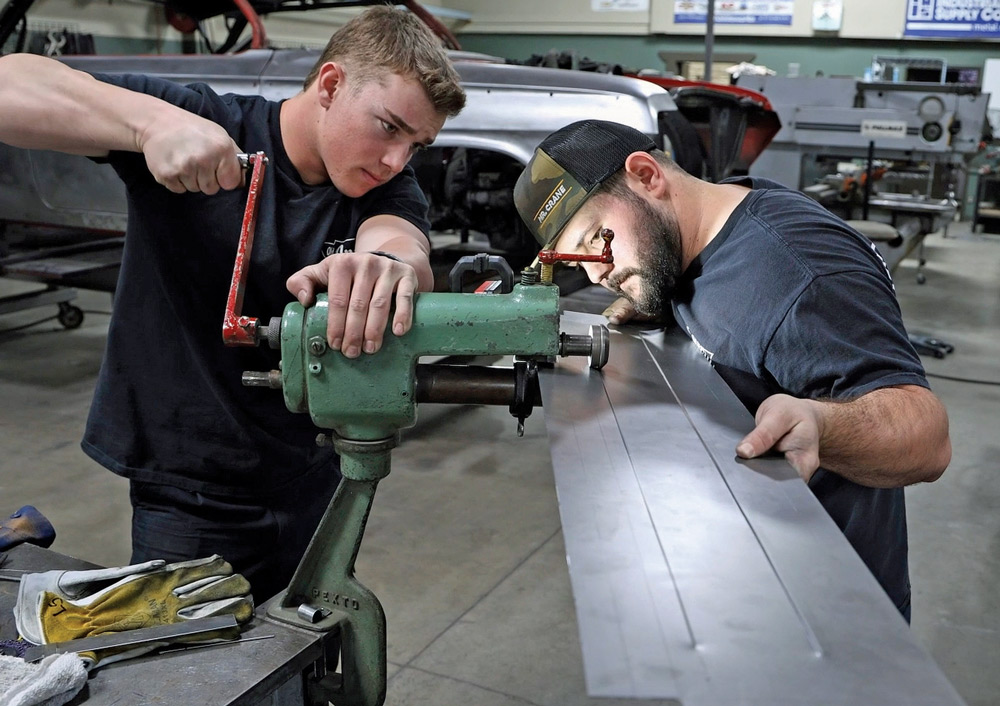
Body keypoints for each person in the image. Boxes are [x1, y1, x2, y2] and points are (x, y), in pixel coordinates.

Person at [0, 6, 465, 603]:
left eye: (417, 145)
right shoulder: (208, 121)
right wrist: (148, 125)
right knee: (188, 653)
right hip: (190, 489)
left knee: (301, 644)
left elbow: (401, 241)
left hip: (315, 475)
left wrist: (386, 264)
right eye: (389, 128)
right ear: (330, 85)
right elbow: (11, 83)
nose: (396, 161)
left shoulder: (387, 186)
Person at [513, 119, 951, 620]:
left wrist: (823, 425)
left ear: (647, 175)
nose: (598, 271)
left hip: (829, 607)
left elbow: (928, 439)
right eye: (579, 261)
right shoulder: (697, 232)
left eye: (597, 239)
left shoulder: (799, 273)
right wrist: (656, 297)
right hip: (746, 582)